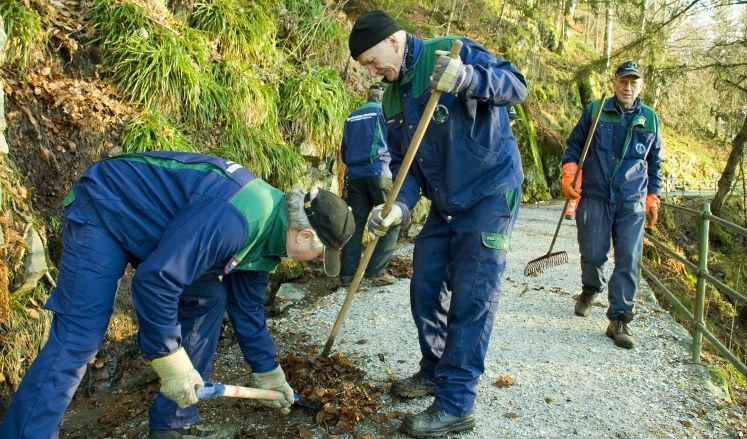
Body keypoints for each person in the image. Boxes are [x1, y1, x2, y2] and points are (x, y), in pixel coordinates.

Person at [0, 151, 355, 439]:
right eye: (322, 256)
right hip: (106, 207)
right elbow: (156, 281)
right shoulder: (240, 219)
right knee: (80, 336)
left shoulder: (272, 235)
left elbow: (246, 307)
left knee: (209, 297)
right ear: (305, 237)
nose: (316, 264)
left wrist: (268, 371)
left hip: (157, 233)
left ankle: (172, 422)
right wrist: (169, 358)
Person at [348, 10, 527, 437]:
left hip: (489, 193)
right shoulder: (392, 97)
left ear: (394, 41)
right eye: (366, 68)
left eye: (373, 61)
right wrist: (398, 207)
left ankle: (457, 404)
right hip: (445, 203)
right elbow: (407, 168)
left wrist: (467, 78)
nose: (373, 72)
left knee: (472, 298)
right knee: (425, 287)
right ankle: (433, 369)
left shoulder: (449, 51)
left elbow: (516, 85)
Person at [562, 61, 663, 349]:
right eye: (623, 81)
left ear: (641, 85)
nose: (627, 87)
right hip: (595, 195)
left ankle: (619, 319)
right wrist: (570, 173)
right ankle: (591, 288)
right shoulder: (595, 111)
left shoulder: (651, 119)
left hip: (631, 201)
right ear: (614, 82)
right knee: (593, 253)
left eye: (633, 82)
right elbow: (574, 146)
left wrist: (653, 197)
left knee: (628, 259)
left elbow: (655, 164)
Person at [339, 83, 399, 287]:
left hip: (355, 177)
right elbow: (396, 141)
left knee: (354, 226)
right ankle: (376, 271)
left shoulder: (351, 116)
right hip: (380, 172)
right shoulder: (384, 112)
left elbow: (344, 151)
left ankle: (347, 275)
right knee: (390, 220)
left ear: (368, 96)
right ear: (382, 96)